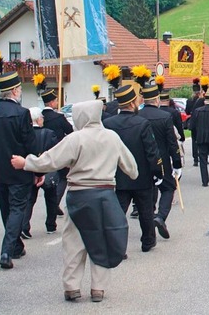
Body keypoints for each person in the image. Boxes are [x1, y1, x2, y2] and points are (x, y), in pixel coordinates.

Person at [11, 100, 138, 302]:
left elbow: (51, 159)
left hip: (79, 195)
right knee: (101, 240)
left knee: (74, 241)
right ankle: (98, 289)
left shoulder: (76, 138)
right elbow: (132, 169)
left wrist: (26, 163)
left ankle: (72, 287)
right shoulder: (112, 137)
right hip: (105, 195)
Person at [103, 85, 162, 253]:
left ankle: (118, 247)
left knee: (119, 213)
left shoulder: (108, 123)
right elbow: (151, 151)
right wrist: (157, 172)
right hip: (141, 176)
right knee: (146, 211)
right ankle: (147, 241)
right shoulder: (142, 123)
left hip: (117, 175)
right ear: (132, 103)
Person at [0, 71, 36, 269]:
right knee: (17, 209)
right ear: (13, 91)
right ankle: (6, 251)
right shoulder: (21, 113)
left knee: (6, 210)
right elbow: (30, 144)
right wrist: (37, 169)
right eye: (19, 89)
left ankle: (16, 246)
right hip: (19, 169)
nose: (20, 92)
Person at [138, 85, 182, 240]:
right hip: (161, 160)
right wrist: (177, 163)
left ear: (143, 99)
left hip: (142, 160)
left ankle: (149, 226)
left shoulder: (137, 115)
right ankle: (161, 216)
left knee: (147, 192)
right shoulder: (165, 117)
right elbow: (172, 143)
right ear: (157, 99)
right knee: (168, 188)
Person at [21, 107, 59, 238]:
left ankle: (24, 226)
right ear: (38, 119)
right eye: (42, 117)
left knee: (30, 199)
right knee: (51, 198)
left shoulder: (25, 134)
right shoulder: (49, 133)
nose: (43, 119)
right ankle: (50, 225)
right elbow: (55, 151)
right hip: (47, 169)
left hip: (30, 169)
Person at [40, 88, 73, 217]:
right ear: (51, 102)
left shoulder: (40, 116)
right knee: (63, 177)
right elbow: (70, 130)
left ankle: (53, 205)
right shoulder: (58, 117)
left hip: (42, 151)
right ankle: (54, 204)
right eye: (55, 100)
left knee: (45, 180)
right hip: (58, 151)